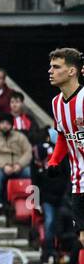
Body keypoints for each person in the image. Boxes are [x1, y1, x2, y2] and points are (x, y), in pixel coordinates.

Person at [44, 48, 84, 250]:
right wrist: (54, 160)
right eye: (50, 66)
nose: (50, 71)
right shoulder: (56, 103)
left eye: (56, 67)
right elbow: (63, 135)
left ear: (71, 71)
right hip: (79, 184)